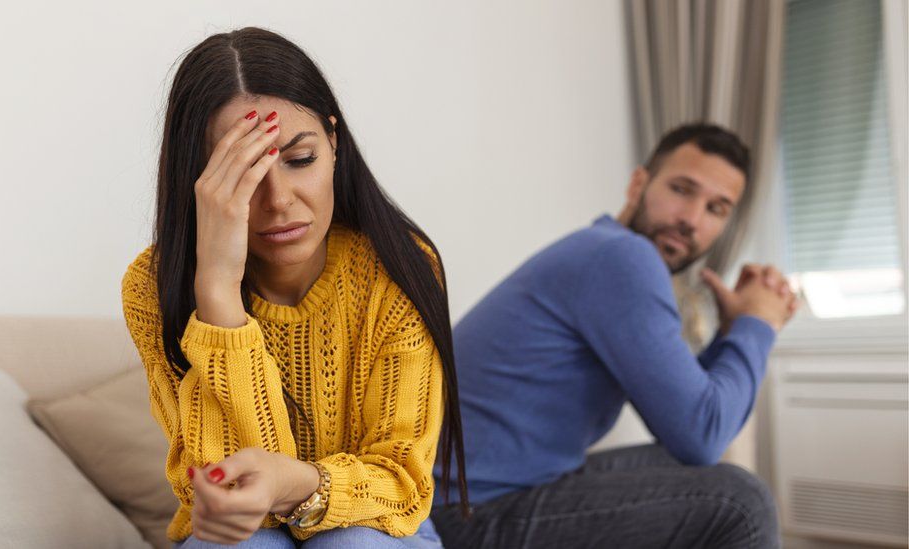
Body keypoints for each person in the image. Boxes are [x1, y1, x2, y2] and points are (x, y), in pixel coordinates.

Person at [121, 27, 468, 548]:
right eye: (243, 174)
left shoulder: (398, 267)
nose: (279, 200)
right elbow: (233, 495)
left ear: (333, 142)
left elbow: (402, 481)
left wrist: (297, 484)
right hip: (240, 538)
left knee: (350, 542)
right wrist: (216, 287)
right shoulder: (153, 287)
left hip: (380, 527)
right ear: (201, 180)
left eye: (299, 159)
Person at [431, 123, 798, 548]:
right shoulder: (623, 257)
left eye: (716, 209)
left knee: (679, 467)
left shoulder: (604, 251)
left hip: (493, 491)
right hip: (463, 511)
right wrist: (760, 323)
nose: (691, 220)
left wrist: (735, 330)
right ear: (638, 183)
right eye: (681, 189)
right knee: (740, 502)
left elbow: (684, 426)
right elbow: (702, 436)